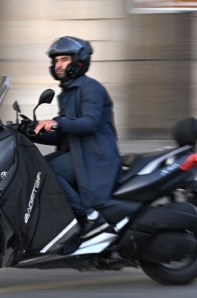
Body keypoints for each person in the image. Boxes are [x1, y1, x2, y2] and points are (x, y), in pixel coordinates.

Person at [34, 36, 122, 239]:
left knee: (47, 173)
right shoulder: (68, 92)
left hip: (94, 157)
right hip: (78, 153)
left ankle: (90, 217)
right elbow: (64, 135)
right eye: (56, 60)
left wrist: (56, 122)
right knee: (36, 166)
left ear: (79, 61)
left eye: (64, 59)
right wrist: (29, 132)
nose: (58, 65)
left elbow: (89, 123)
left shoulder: (90, 88)